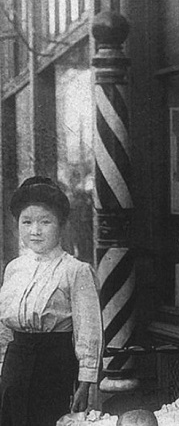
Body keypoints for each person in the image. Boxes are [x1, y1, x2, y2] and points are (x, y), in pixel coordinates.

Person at [0, 176, 103, 425]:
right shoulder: (14, 268)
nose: (35, 230)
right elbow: (4, 328)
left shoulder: (75, 270)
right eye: (27, 222)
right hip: (16, 364)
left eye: (45, 222)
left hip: (54, 366)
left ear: (61, 225)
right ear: (18, 226)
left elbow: (89, 330)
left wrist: (85, 383)